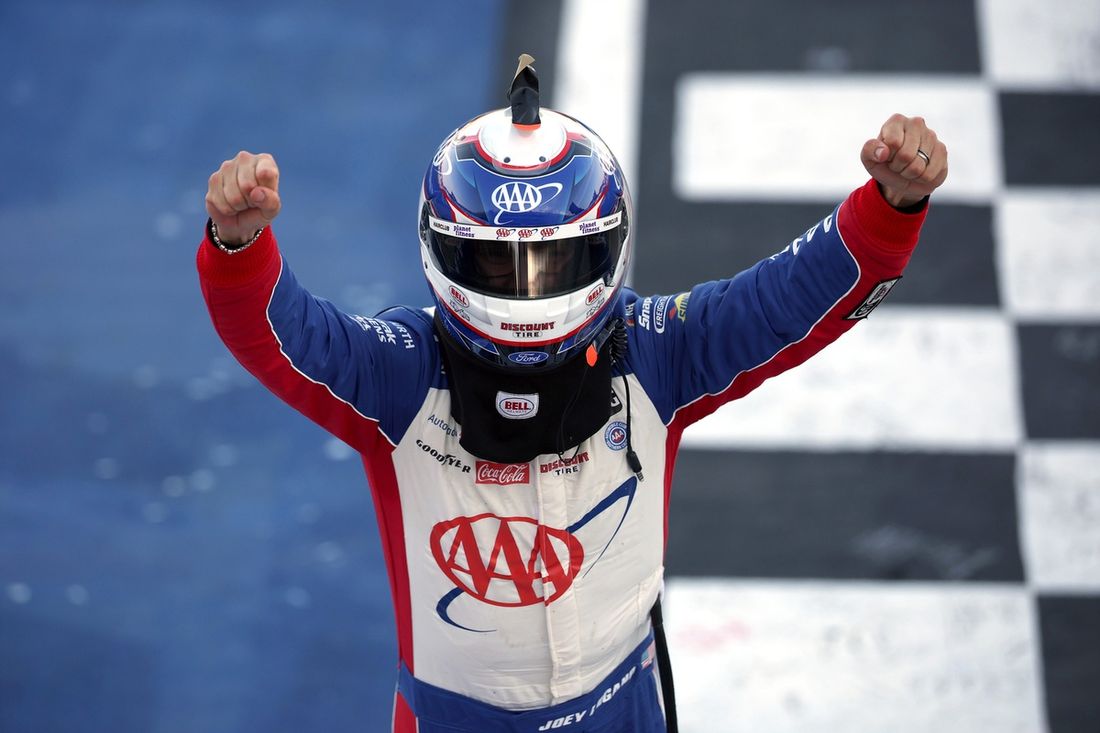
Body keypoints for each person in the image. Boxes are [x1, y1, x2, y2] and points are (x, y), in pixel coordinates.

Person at [197, 56, 948, 733]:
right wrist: (239, 246)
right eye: (499, 268)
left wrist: (890, 207)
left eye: (553, 263)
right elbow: (283, 335)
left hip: (624, 710)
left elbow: (786, 301)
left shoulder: (658, 351)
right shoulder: (399, 377)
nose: (527, 291)